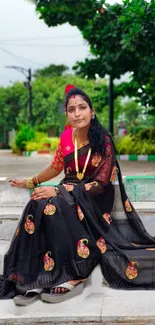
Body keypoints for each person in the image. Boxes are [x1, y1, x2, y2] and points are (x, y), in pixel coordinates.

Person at [1, 87, 155, 306]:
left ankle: (74, 274)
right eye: (71, 109)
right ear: (67, 115)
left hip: (94, 198)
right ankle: (34, 275)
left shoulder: (104, 141)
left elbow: (102, 183)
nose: (77, 113)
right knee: (38, 202)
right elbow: (56, 167)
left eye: (82, 108)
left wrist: (61, 191)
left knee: (56, 203)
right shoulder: (65, 138)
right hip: (68, 190)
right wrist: (31, 182)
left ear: (92, 111)